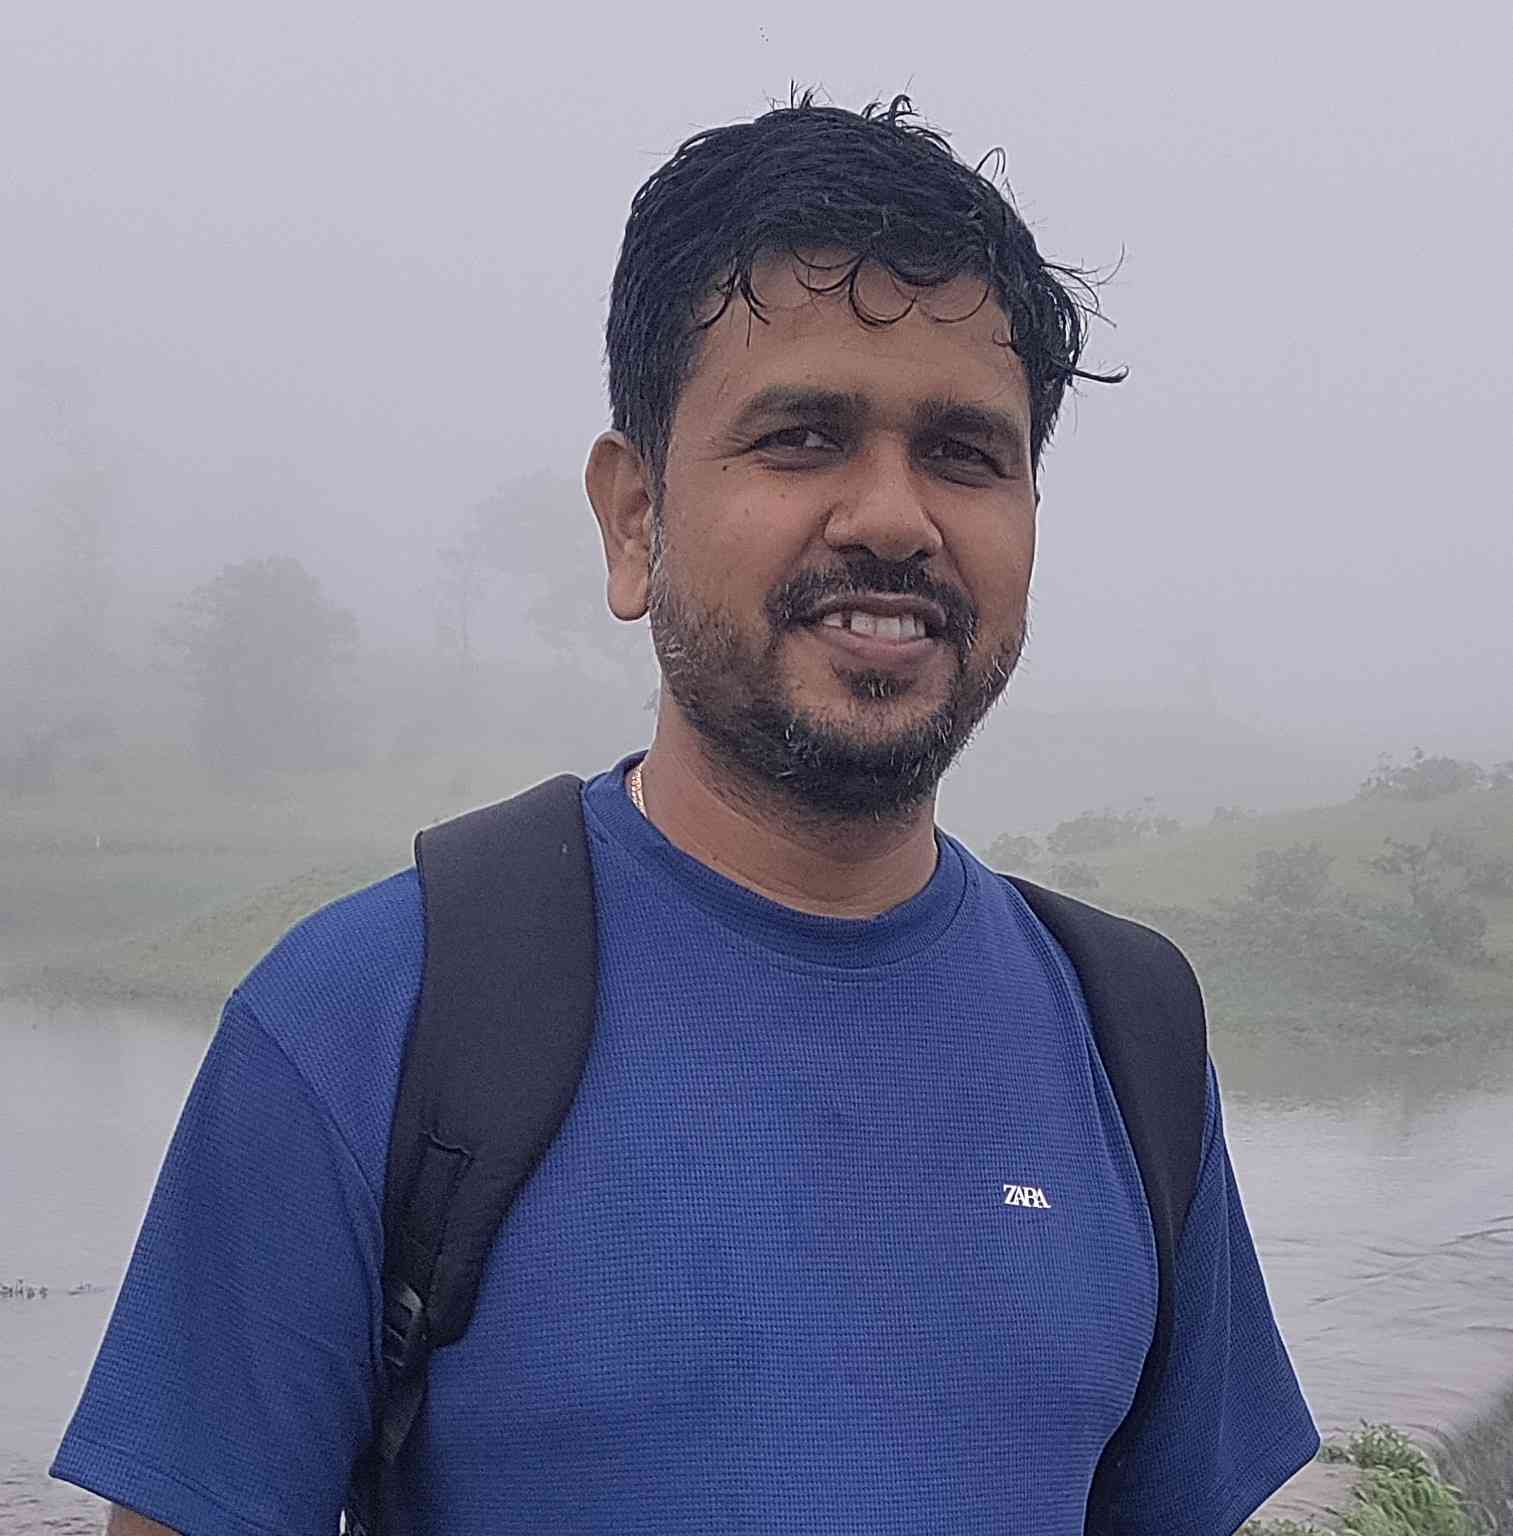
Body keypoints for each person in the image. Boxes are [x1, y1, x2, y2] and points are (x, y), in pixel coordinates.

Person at [54, 93, 1319, 1535]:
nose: (893, 518)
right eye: (802, 436)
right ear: (634, 517)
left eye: (967, 454)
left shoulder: (1127, 1034)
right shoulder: (364, 1018)